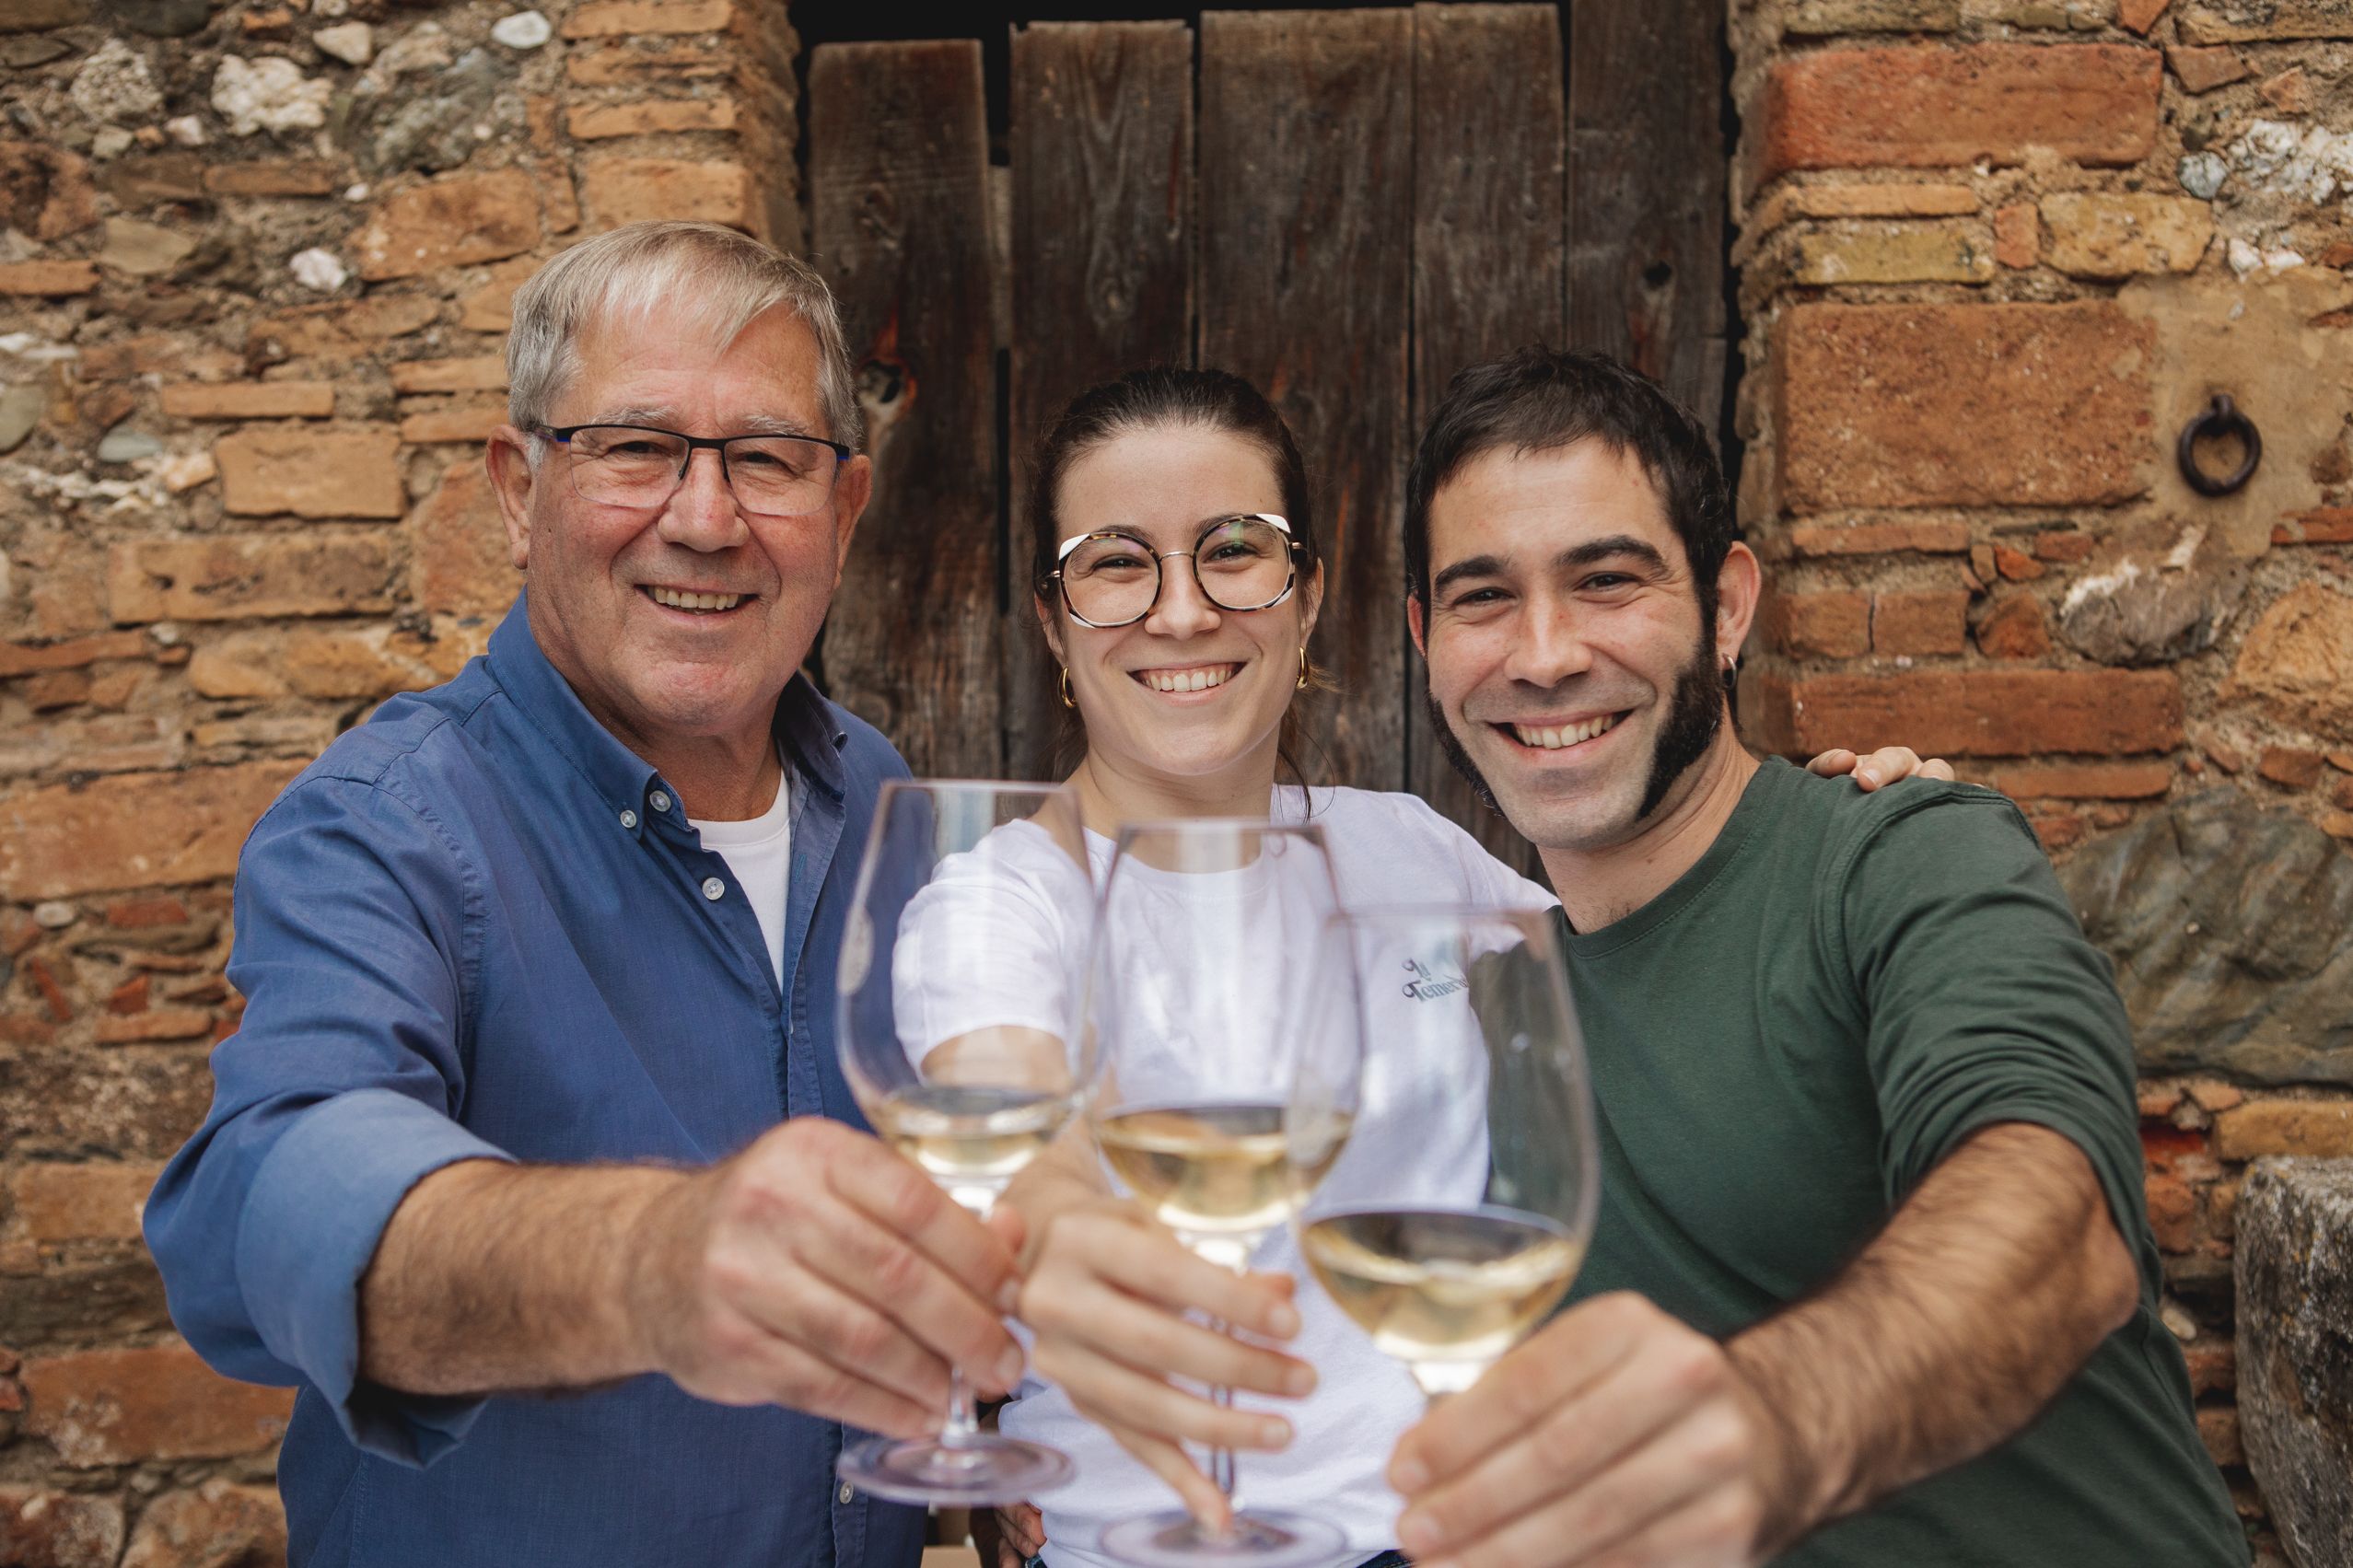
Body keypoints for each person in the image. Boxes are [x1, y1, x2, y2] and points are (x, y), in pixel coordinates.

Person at [944, 366, 1946, 1568]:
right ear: (1056, 620)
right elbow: (1002, 1119)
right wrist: (1051, 1232)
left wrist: (1816, 845)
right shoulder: (999, 903)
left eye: (1233, 550)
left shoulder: (1408, 847)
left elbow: (1640, 969)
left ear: (1306, 599)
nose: (1181, 611)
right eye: (1116, 562)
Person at [143, 222, 1031, 1568]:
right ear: (517, 489)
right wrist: (653, 1263)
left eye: (767, 459)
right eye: (636, 447)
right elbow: (263, 1198)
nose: (707, 518)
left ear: (844, 510)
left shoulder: (889, 803)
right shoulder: (386, 824)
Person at [1377, 347, 2247, 1567]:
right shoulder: (1484, 1015)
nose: (1544, 653)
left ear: (1727, 607)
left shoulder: (1902, 859)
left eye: (1606, 581)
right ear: (1426, 639)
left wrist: (1770, 1421)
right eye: (1482, 598)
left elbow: (2054, 1222)